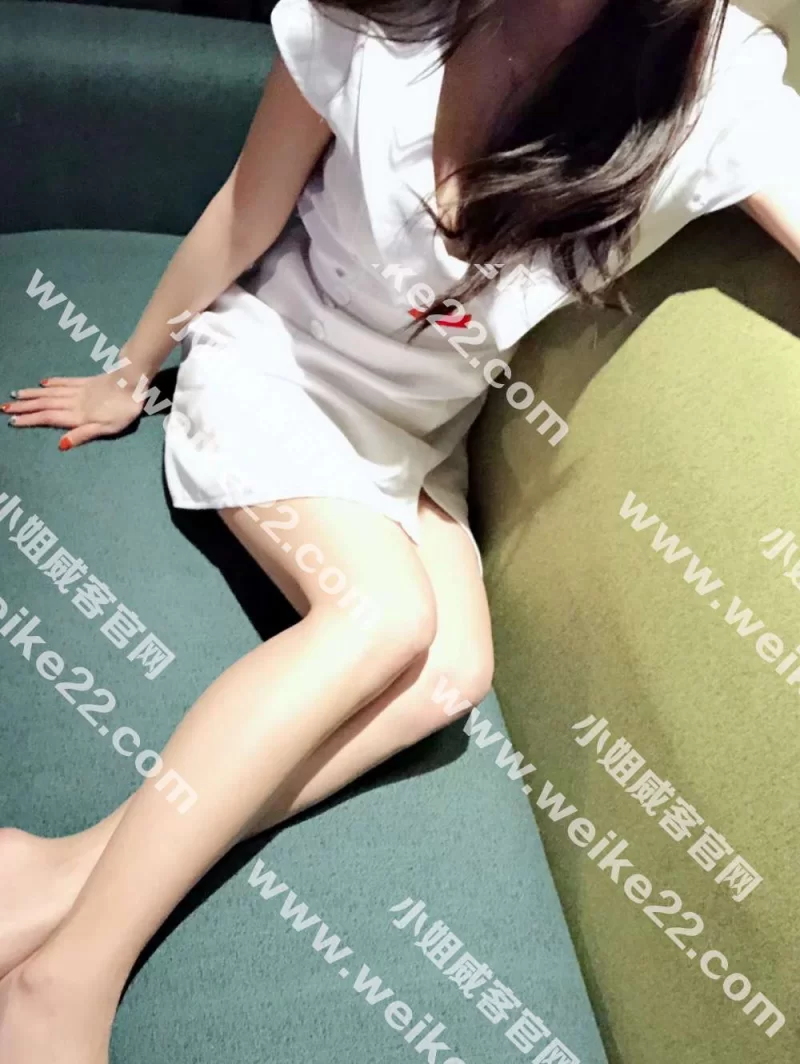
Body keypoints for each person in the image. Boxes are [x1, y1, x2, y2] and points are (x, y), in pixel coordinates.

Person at [1, 0, 799, 1058]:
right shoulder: (376, 24)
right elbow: (244, 211)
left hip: (416, 441)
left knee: (450, 674)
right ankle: (67, 973)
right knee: (381, 616)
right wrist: (129, 371)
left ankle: (67, 869)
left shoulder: (708, 86)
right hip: (279, 367)